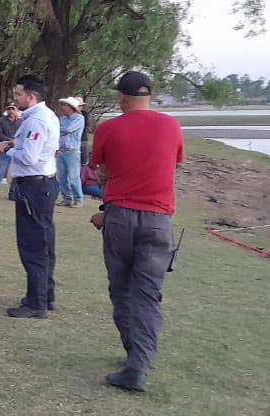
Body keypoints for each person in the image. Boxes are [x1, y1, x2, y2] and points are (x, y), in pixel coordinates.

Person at [90, 71, 183, 392]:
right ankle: (139, 362)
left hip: (119, 219)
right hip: (158, 220)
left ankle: (134, 357)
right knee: (147, 293)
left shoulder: (107, 128)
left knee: (121, 289)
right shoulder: (172, 126)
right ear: (150, 95)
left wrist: (110, 208)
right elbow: (173, 163)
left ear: (121, 98)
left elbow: (100, 169)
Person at [0, 76, 59, 319]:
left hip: (33, 187)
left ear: (31, 97)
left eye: (18, 94)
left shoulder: (36, 121)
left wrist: (8, 148)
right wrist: (16, 142)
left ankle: (36, 302)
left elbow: (29, 157)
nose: (15, 98)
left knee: (33, 246)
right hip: (42, 184)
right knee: (44, 243)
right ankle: (45, 295)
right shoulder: (44, 116)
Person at [0, 104, 21, 201]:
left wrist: (17, 142)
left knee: (17, 172)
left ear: (17, 110)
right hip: (5, 149)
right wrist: (10, 141)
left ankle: (13, 194)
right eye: (9, 109)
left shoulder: (21, 122)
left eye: (13, 109)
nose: (11, 111)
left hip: (17, 149)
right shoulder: (2, 121)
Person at [57, 97, 86, 207]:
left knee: (74, 177)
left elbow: (68, 129)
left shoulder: (79, 118)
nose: (63, 107)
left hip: (72, 151)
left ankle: (78, 199)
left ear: (71, 108)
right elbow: (57, 128)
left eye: (65, 105)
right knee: (62, 177)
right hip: (61, 150)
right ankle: (67, 198)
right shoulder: (62, 119)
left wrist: (60, 129)